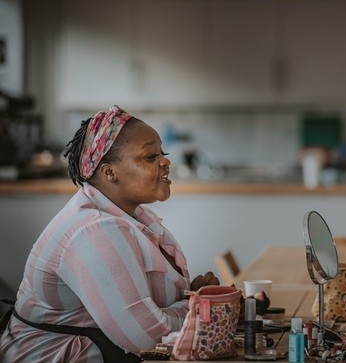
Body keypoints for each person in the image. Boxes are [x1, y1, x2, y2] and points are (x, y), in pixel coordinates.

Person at [0, 105, 220, 363]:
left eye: (163, 153)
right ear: (109, 172)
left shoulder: (130, 216)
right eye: (150, 157)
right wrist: (200, 307)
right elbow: (147, 337)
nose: (165, 161)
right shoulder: (94, 230)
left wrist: (191, 298)